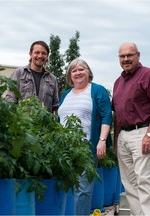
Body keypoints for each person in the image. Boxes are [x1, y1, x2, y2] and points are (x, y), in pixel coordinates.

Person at [112, 42, 150, 216]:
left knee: (145, 181)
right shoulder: (118, 82)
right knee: (129, 183)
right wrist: (116, 140)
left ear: (138, 55)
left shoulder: (149, 75)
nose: (126, 59)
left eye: (129, 55)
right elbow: (117, 113)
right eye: (122, 56)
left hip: (143, 132)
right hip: (124, 136)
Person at [58, 58, 113, 215]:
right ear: (70, 75)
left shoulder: (97, 90)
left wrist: (102, 141)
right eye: (74, 70)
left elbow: (106, 116)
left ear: (88, 72)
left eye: (81, 69)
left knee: (83, 189)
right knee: (67, 188)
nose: (77, 73)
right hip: (64, 150)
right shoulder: (65, 94)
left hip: (86, 148)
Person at [5, 40, 59, 113]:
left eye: (43, 53)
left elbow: (55, 106)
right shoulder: (19, 73)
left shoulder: (52, 79)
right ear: (30, 54)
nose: (40, 56)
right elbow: (11, 99)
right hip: (23, 122)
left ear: (47, 56)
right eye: (37, 52)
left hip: (43, 124)